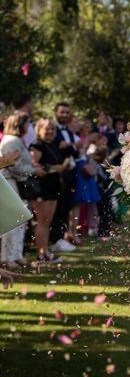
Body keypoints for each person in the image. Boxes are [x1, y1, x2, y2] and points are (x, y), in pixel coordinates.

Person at [29, 118, 70, 263]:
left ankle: (45, 252)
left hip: (53, 187)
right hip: (41, 188)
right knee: (41, 222)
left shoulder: (52, 144)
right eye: (47, 128)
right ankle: (41, 255)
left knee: (47, 222)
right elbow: (33, 166)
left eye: (52, 129)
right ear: (39, 130)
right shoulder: (37, 145)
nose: (50, 131)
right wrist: (56, 168)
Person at [0, 113, 34, 268]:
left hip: (16, 182)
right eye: (27, 123)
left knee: (20, 221)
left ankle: (16, 254)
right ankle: (7, 257)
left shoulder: (16, 140)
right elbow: (14, 166)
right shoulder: (11, 140)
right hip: (10, 182)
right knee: (13, 221)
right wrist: (33, 171)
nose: (29, 126)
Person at [50, 102, 79, 253]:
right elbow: (56, 149)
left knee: (65, 207)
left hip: (69, 174)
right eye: (62, 112)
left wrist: (71, 147)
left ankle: (61, 237)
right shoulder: (51, 129)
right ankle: (55, 240)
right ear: (55, 112)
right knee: (58, 208)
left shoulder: (67, 130)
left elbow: (73, 152)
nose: (65, 115)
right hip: (58, 174)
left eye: (67, 112)